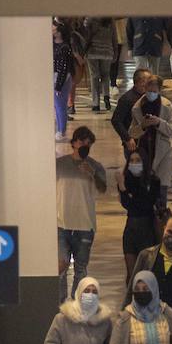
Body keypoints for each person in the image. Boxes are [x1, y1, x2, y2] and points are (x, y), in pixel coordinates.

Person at [56, 126, 107, 302]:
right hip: (61, 224)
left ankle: (77, 304)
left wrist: (92, 174)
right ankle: (60, 305)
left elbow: (103, 189)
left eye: (88, 144)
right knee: (60, 266)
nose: (84, 146)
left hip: (85, 226)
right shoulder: (59, 165)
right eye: (82, 142)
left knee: (81, 269)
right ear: (74, 143)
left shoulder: (96, 167)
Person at [118, 148, 164, 284]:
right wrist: (124, 188)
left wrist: (125, 191)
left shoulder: (154, 181)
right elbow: (128, 205)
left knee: (147, 274)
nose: (134, 163)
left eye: (137, 160)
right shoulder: (125, 180)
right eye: (131, 160)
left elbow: (144, 204)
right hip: (131, 229)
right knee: (131, 274)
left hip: (148, 229)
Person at [129, 73, 172, 191]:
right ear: (144, 89)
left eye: (154, 91)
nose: (151, 93)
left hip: (163, 152)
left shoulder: (166, 106)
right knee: (145, 189)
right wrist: (143, 126)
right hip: (145, 151)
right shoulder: (137, 108)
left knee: (161, 188)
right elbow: (132, 133)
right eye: (148, 90)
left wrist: (158, 123)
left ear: (159, 91)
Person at [83, 17, 119, 112]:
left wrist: (82, 51)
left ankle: (96, 104)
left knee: (94, 76)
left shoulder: (89, 19)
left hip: (92, 51)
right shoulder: (110, 20)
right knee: (105, 75)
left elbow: (85, 36)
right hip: (107, 51)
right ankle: (106, 96)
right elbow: (114, 37)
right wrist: (115, 52)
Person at [111, 68, 153, 150]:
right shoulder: (127, 99)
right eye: (147, 81)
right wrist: (127, 138)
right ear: (138, 82)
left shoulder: (149, 97)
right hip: (134, 143)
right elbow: (116, 121)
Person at [52, 21, 75, 139]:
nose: (52, 30)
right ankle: (60, 130)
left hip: (62, 79)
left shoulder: (64, 47)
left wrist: (59, 85)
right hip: (55, 77)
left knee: (60, 105)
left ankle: (62, 130)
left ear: (60, 32)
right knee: (57, 105)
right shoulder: (52, 44)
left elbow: (64, 69)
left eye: (54, 29)